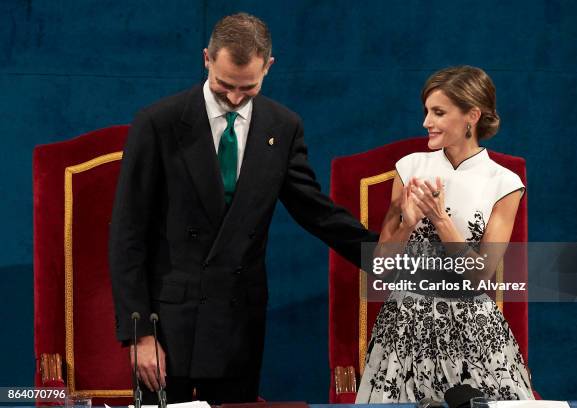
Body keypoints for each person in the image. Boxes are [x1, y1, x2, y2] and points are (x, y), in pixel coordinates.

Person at [109, 13, 377, 404]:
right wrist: (139, 335)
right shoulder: (159, 122)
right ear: (206, 58)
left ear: (269, 66)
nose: (234, 98)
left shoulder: (283, 126)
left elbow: (317, 213)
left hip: (238, 320)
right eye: (223, 86)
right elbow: (127, 234)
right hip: (168, 324)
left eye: (247, 88)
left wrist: (394, 262)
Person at [356, 66, 535, 402]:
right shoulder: (409, 167)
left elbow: (481, 273)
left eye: (438, 112)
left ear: (472, 116)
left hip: (473, 328)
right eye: (426, 111)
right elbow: (380, 265)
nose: (427, 122)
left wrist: (440, 218)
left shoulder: (505, 183)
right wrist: (407, 224)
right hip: (405, 324)